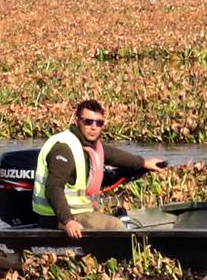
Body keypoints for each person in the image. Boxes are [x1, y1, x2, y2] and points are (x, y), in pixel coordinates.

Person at [33, 99, 168, 239]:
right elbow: (53, 187)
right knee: (115, 226)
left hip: (79, 212)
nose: (93, 127)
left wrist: (144, 163)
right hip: (56, 217)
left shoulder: (90, 145)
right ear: (76, 120)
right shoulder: (64, 148)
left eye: (99, 123)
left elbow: (114, 156)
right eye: (88, 122)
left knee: (119, 216)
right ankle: (128, 255)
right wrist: (68, 221)